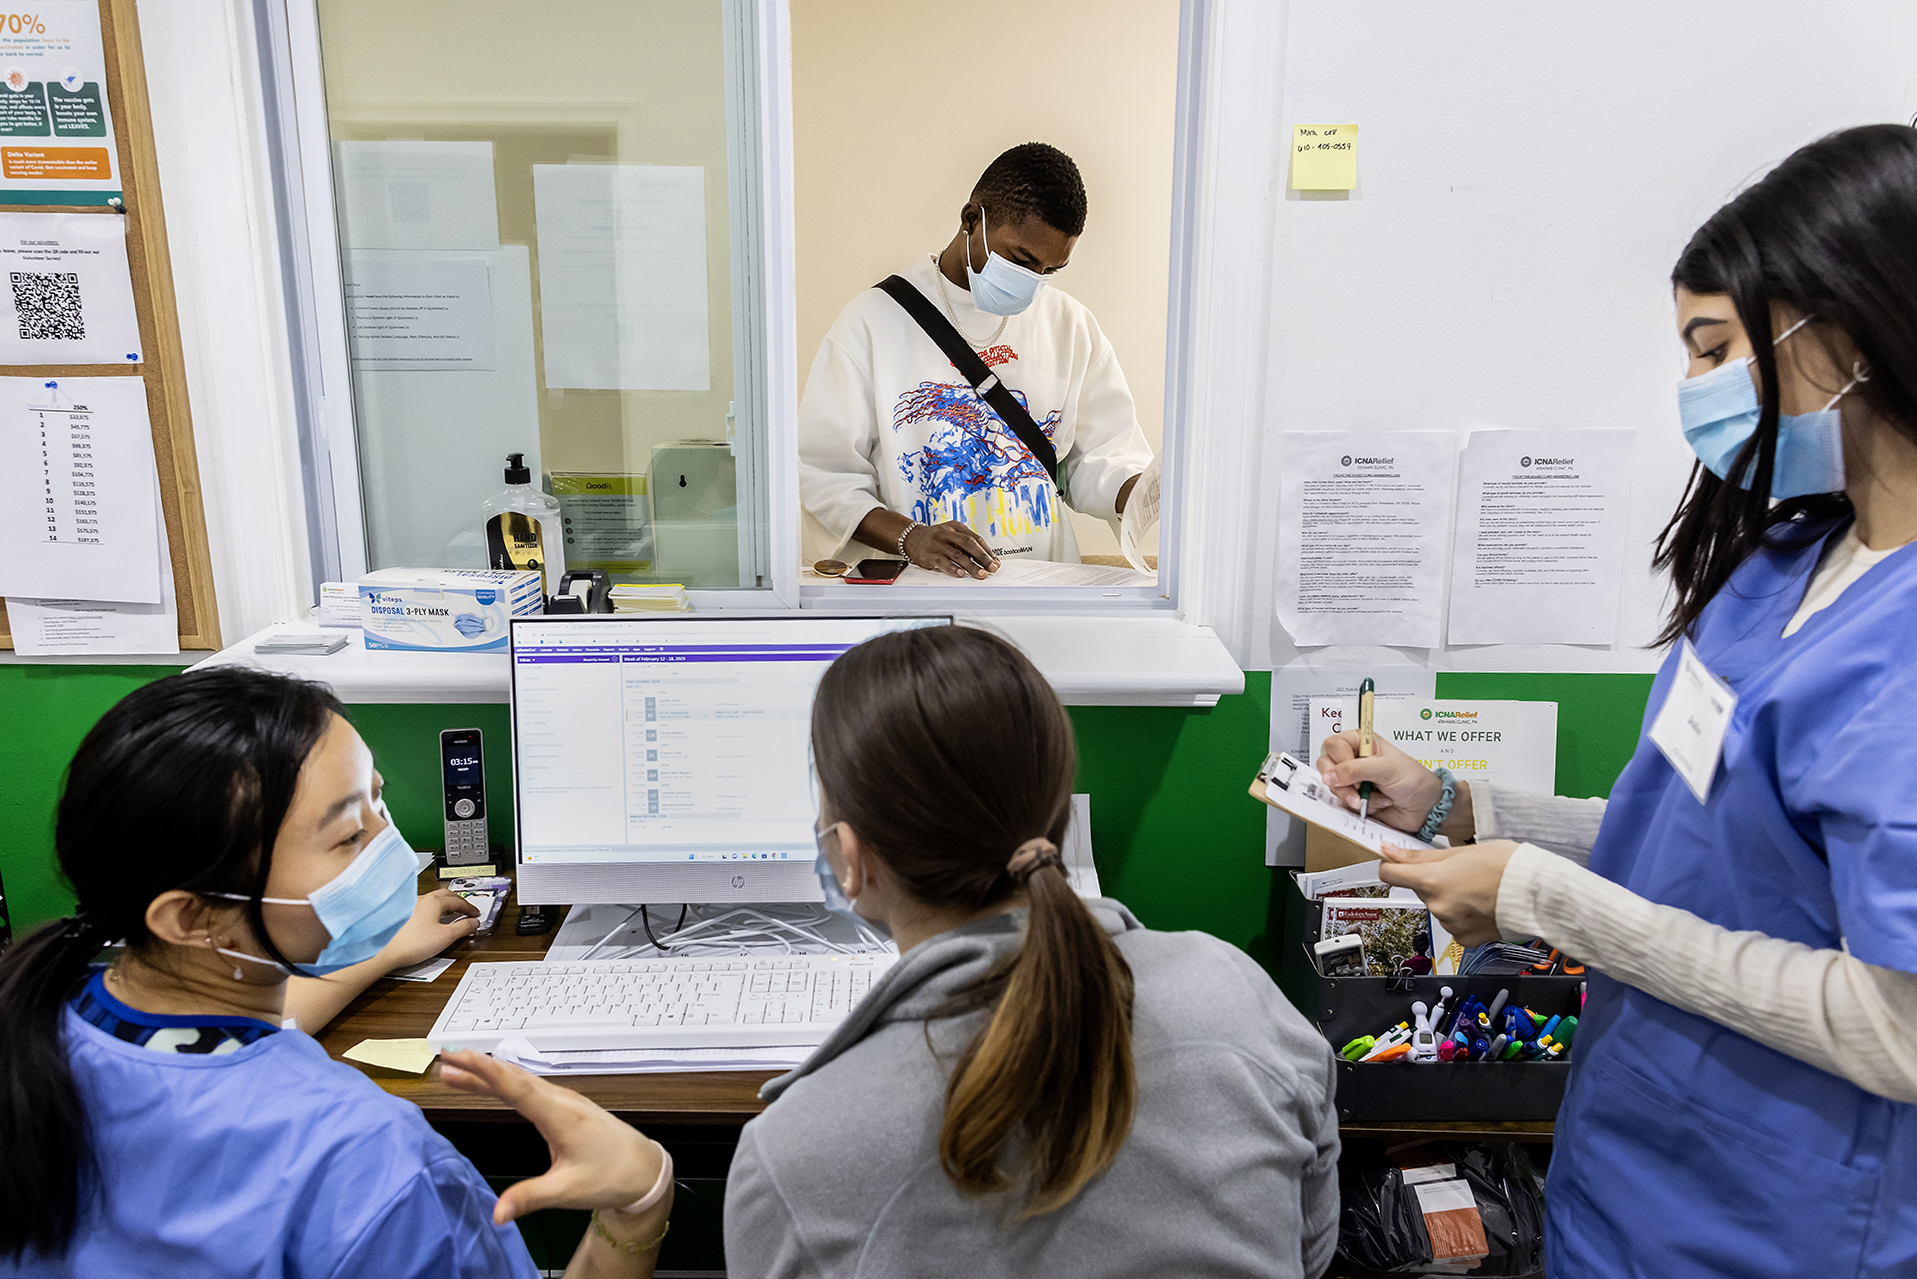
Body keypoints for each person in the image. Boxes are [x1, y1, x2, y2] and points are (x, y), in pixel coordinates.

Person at [1316, 124, 1917, 1277]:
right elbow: (1695, 837)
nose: (1690, 390)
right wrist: (1464, 806)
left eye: (1712, 348)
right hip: (1626, 1166)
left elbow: (1896, 1025)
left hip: (1774, 1218)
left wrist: (1545, 902)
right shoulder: (1782, 565)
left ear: (1845, 331)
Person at [0, 667, 674, 1278]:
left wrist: (380, 949)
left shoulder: (48, 1018)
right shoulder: (375, 1163)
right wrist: (639, 1203)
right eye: (349, 836)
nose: (394, 849)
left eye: (376, 801)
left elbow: (239, 1038)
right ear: (190, 916)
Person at [724, 624, 1339, 1276]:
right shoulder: (1237, 994)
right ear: (1054, 810)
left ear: (850, 857)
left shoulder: (792, 1155)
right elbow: (1310, 1248)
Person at [798, 142, 1155, 577]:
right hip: (926, 592)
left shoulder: (1069, 323)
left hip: (1046, 583)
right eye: (1021, 260)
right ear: (972, 219)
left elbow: (1100, 458)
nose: (1032, 283)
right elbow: (824, 476)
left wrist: (1146, 493)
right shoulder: (872, 323)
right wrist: (912, 537)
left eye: (1049, 271)